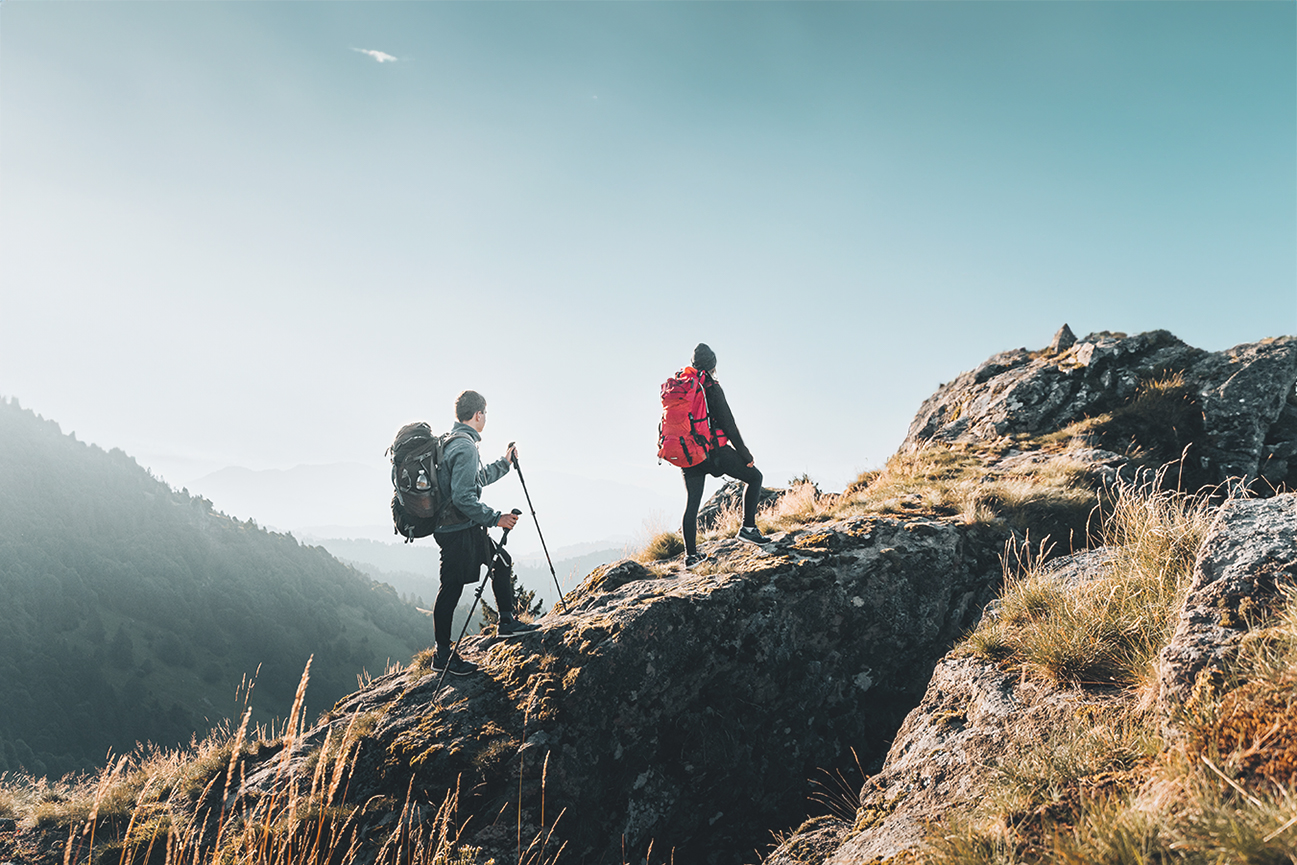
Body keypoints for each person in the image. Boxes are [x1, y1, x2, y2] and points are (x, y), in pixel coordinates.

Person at [431, 389, 538, 676]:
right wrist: (496, 518)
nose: (486, 418)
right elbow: (464, 497)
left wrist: (504, 463)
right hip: (458, 530)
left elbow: (474, 481)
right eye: (485, 413)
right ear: (478, 414)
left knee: (501, 561)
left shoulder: (452, 441)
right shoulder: (464, 447)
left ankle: (506, 622)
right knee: (451, 588)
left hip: (459, 527)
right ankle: (442, 655)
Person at [681, 343, 769, 568]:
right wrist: (745, 454)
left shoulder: (684, 388)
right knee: (755, 477)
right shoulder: (711, 387)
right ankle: (748, 529)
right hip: (714, 452)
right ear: (713, 365)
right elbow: (729, 426)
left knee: (692, 504)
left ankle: (691, 557)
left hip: (690, 455)